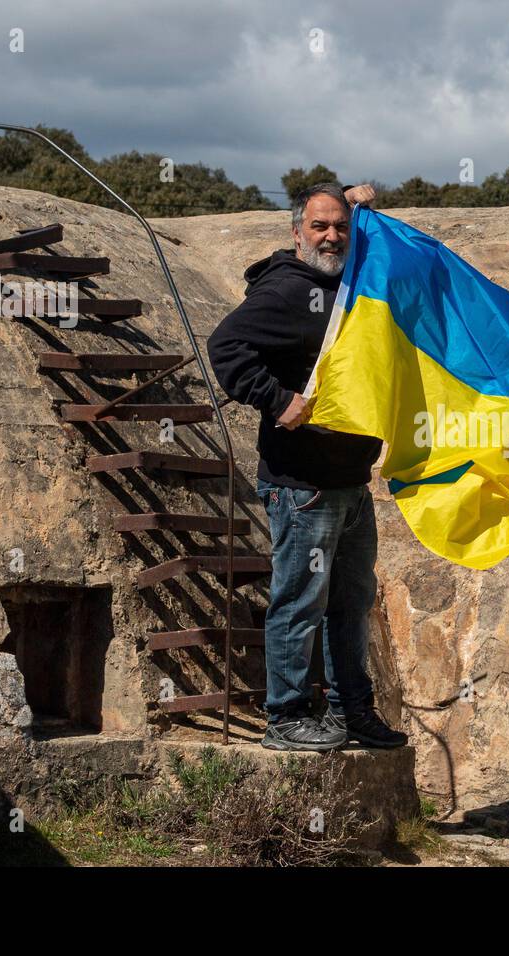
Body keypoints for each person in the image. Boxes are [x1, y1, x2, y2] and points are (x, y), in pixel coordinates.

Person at [207, 181, 408, 752]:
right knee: (299, 601)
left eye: (340, 226)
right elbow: (225, 347)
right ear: (297, 233)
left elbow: (374, 247)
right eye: (319, 226)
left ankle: (352, 712)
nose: (332, 235)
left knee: (350, 605)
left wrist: (362, 206)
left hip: (350, 482)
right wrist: (277, 399)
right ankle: (287, 717)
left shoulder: (348, 285)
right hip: (302, 488)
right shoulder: (290, 290)